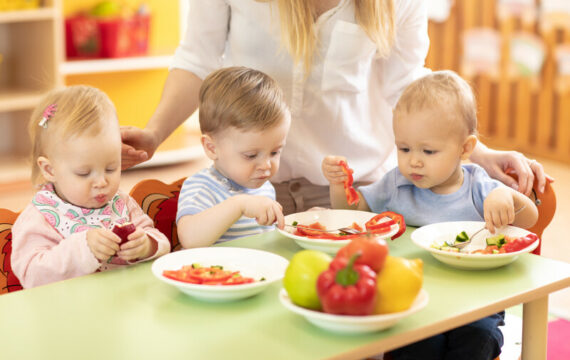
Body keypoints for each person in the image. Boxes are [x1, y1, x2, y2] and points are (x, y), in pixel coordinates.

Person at [121, 0, 550, 215]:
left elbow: (407, 85)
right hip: (246, 187)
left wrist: (478, 153)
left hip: (358, 194)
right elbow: (198, 59)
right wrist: (154, 134)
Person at [322, 70, 538, 360]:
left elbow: (531, 219)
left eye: (428, 151)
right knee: (415, 346)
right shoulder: (396, 183)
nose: (414, 160)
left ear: (465, 149)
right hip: (416, 300)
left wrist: (507, 196)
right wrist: (339, 185)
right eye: (404, 148)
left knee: (478, 341)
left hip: (475, 302)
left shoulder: (478, 185)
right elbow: (351, 211)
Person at [12, 86, 171, 289]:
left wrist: (148, 245)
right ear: (50, 169)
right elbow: (32, 276)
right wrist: (83, 249)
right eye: (84, 173)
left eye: (111, 168)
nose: (101, 182)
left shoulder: (120, 203)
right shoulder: (40, 217)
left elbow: (158, 239)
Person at [176, 67, 290, 248]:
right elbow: (190, 239)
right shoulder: (202, 187)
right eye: (251, 155)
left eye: (275, 152)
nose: (266, 165)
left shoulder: (264, 188)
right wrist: (239, 204)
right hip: (215, 274)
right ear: (212, 148)